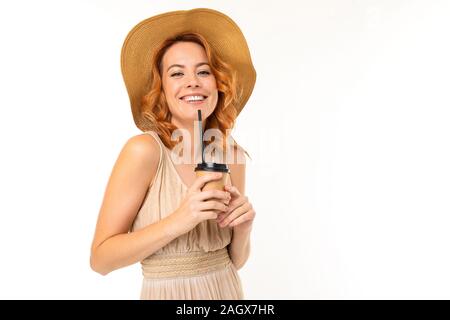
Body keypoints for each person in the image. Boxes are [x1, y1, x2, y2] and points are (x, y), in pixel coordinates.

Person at [90, 8, 257, 300]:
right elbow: (101, 260)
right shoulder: (144, 151)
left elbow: (234, 261)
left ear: (217, 83)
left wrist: (242, 229)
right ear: (162, 88)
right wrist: (179, 221)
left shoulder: (231, 154)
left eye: (203, 71)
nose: (192, 81)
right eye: (177, 73)